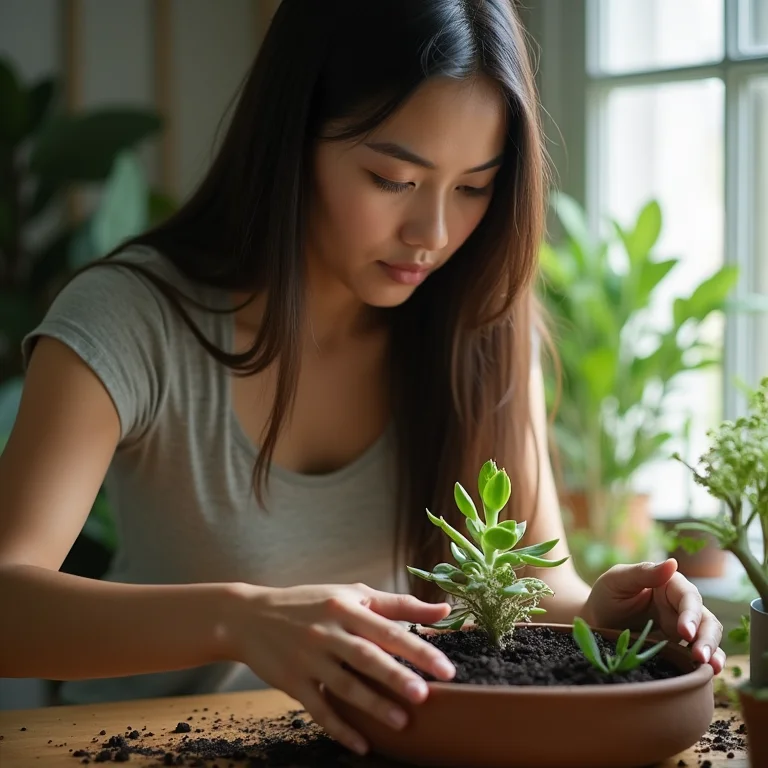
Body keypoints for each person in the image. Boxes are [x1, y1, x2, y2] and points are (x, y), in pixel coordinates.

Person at [0, 0, 724, 757]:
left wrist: (615, 613)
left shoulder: (477, 323)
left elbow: (538, 589)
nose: (433, 235)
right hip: (132, 745)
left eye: (474, 187)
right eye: (392, 178)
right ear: (291, 140)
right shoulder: (131, 316)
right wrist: (241, 617)